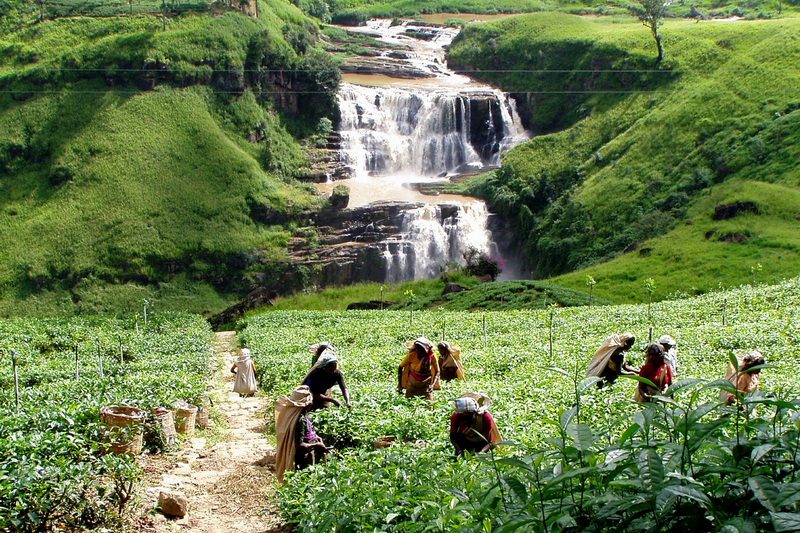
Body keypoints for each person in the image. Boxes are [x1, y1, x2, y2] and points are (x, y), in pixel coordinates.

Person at [274, 385, 329, 483]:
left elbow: (308, 432)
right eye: (310, 401)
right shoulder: (300, 420)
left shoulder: (299, 415)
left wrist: (317, 437)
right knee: (305, 479)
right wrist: (316, 445)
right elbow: (299, 446)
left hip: (307, 450)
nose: (312, 403)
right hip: (304, 456)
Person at [449, 392, 501, 457]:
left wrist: (481, 453)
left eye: (468, 415)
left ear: (475, 413)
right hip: (465, 442)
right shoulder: (456, 416)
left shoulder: (485, 417)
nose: (465, 418)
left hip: (482, 443)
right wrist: (459, 450)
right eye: (462, 415)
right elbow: (453, 436)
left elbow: (490, 441)